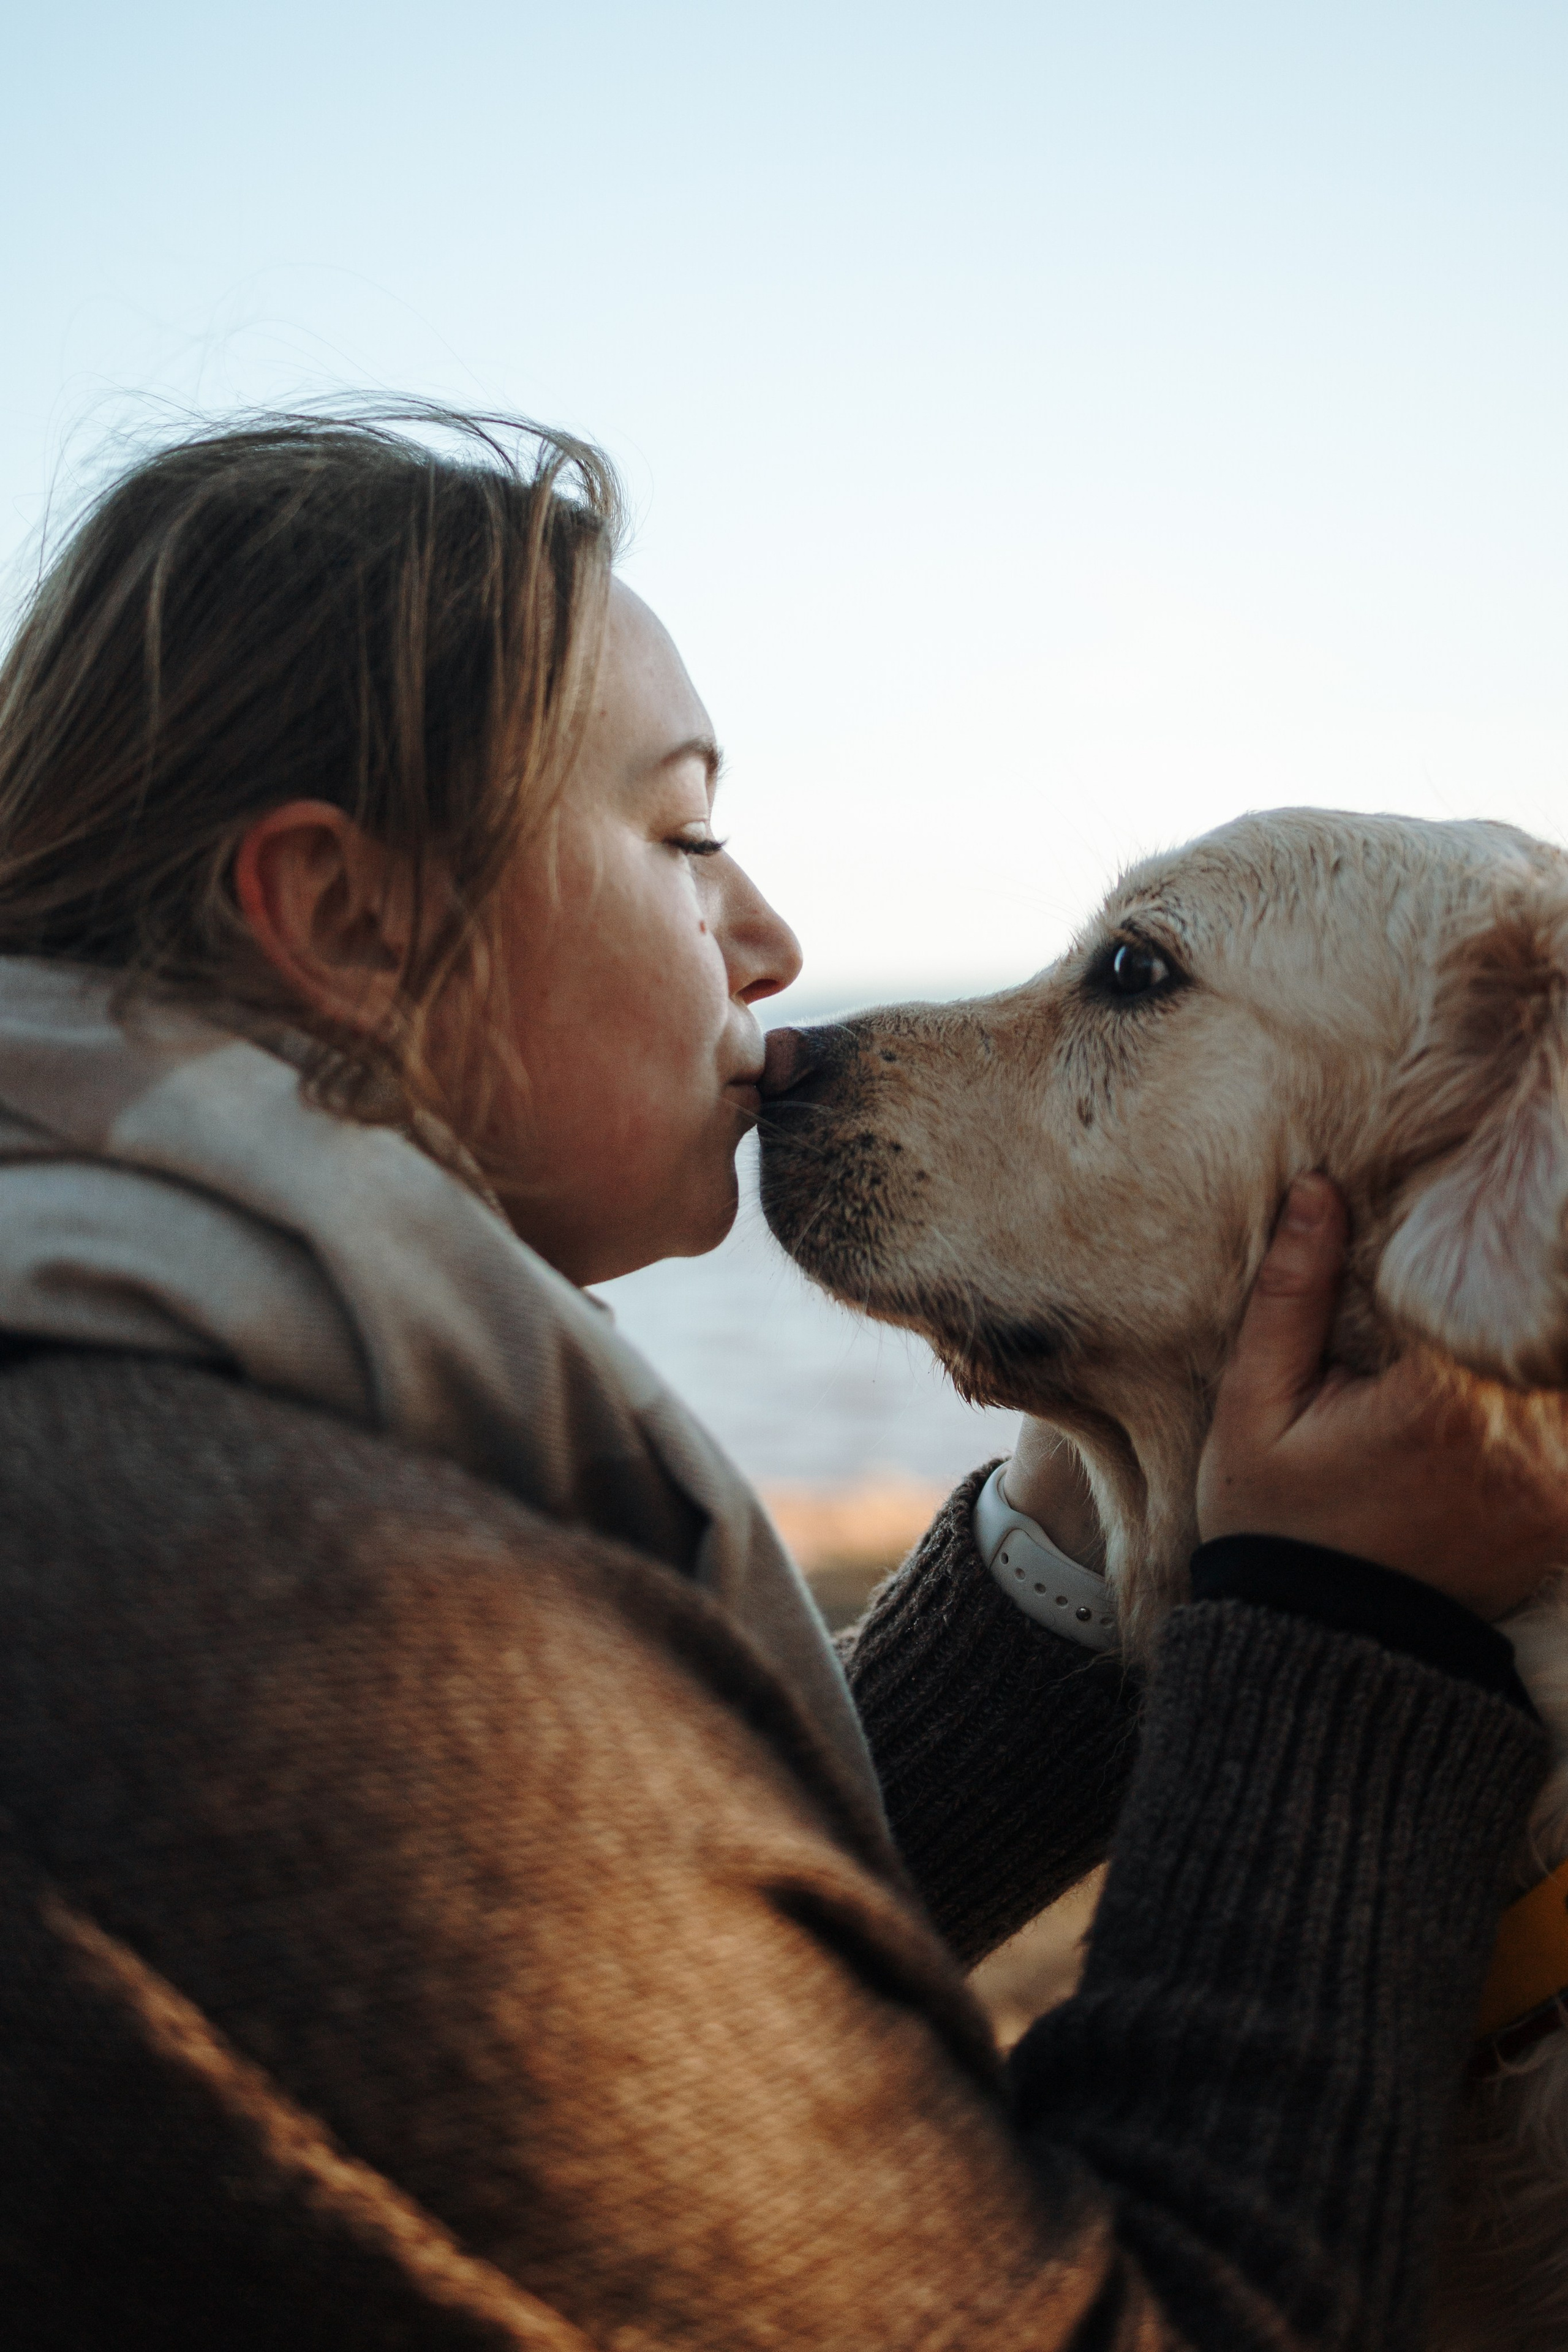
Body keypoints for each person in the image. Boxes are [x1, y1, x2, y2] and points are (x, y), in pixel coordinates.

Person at [0, 405, 1558, 2352]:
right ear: (337, 912)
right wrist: (1343, 1632)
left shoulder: (141, 1388)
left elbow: (700, 1985)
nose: (777, 953)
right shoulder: (242, 1628)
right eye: (683, 837)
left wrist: (1092, 1560)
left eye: (1135, 982)